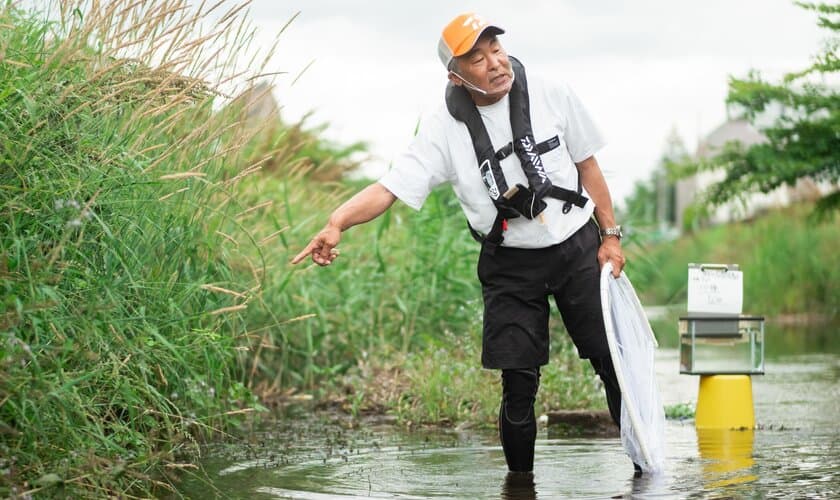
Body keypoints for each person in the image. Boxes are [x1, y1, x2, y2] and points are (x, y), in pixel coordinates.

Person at [292, 12, 637, 478]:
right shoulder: (442, 129)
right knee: (518, 385)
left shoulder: (552, 92)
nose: (494, 62)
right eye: (477, 58)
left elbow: (589, 166)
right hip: (510, 263)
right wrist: (336, 222)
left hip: (576, 246)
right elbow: (390, 187)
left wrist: (610, 237)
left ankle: (645, 472)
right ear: (456, 75)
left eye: (495, 49)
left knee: (611, 363)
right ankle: (520, 486)